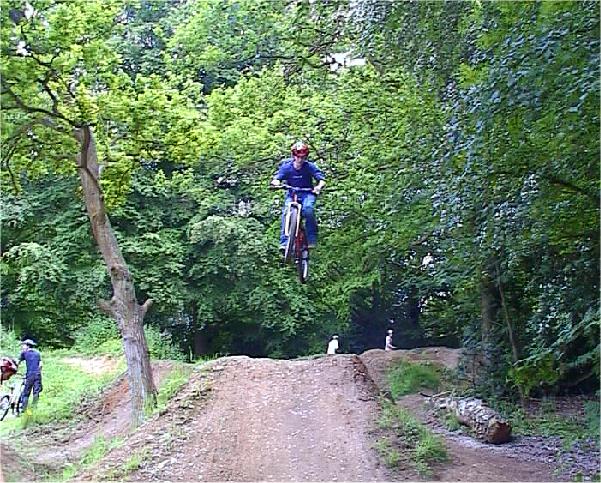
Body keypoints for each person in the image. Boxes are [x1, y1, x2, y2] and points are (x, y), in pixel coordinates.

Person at [270, 141, 326, 251]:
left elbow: (321, 180)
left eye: (303, 157)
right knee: (286, 212)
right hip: (292, 194)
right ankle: (285, 243)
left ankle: (311, 239)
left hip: (307, 193)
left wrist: (318, 187)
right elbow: (277, 178)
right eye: (298, 156)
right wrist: (275, 182)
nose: (300, 159)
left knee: (308, 209)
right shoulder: (287, 167)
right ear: (293, 156)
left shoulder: (310, 167)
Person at [18, 339, 42, 414]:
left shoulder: (24, 353)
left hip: (30, 375)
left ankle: (24, 409)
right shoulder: (37, 353)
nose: (23, 346)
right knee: (36, 392)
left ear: (28, 346)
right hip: (37, 374)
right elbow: (40, 365)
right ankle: (34, 408)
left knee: (26, 392)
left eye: (24, 345)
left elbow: (18, 362)